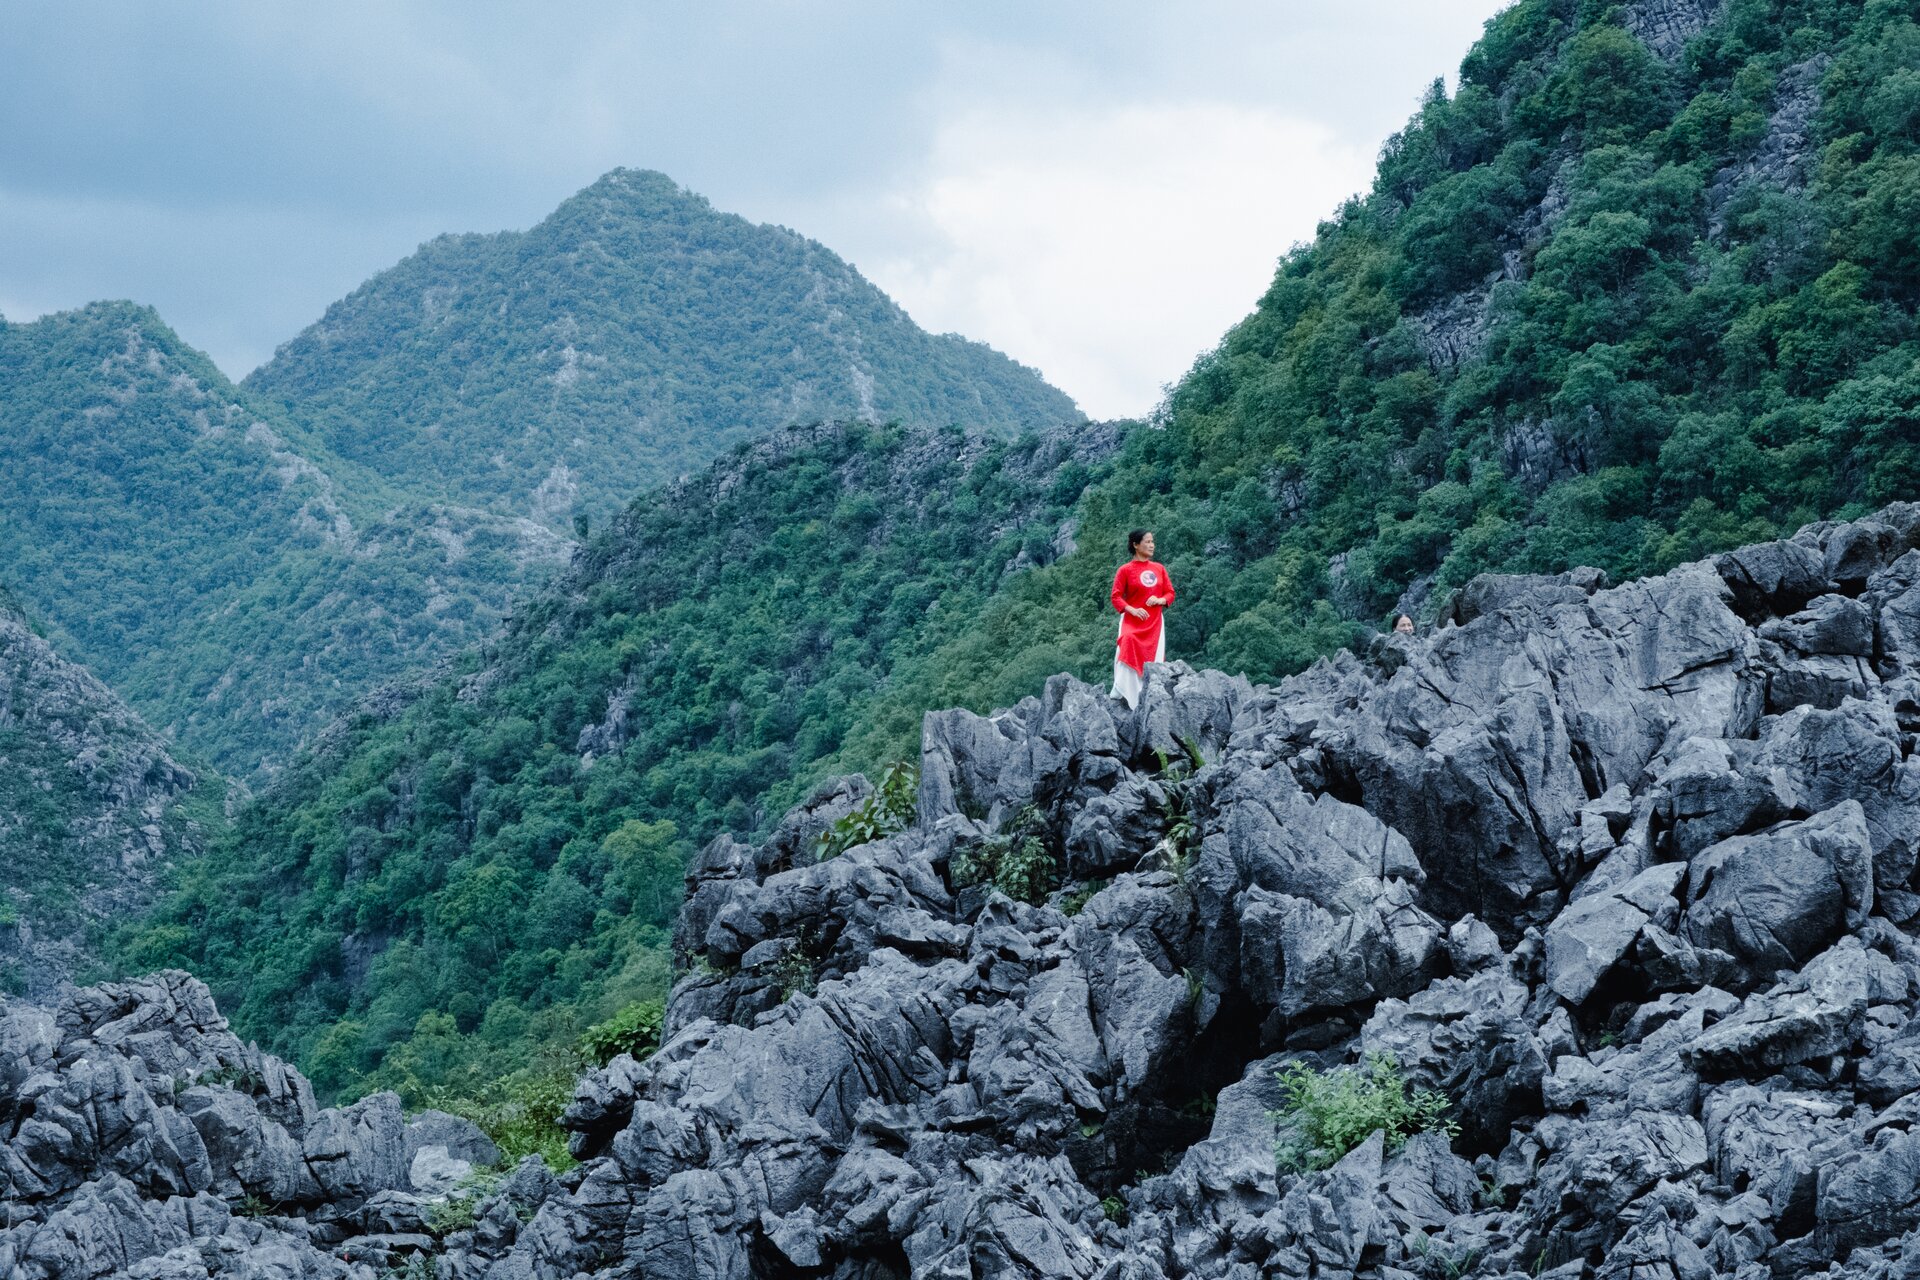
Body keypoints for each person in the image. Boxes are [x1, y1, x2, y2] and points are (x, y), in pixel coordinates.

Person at [1109, 529, 1175, 708]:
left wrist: (1159, 600)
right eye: (1147, 541)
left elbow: (1170, 593)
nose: (1152, 545)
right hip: (1132, 620)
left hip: (1154, 622)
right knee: (1128, 642)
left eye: (1152, 541)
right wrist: (1132, 609)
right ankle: (1122, 689)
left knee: (1152, 658)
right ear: (1135, 545)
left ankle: (1146, 692)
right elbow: (1116, 597)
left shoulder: (1159, 568)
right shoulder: (1125, 570)